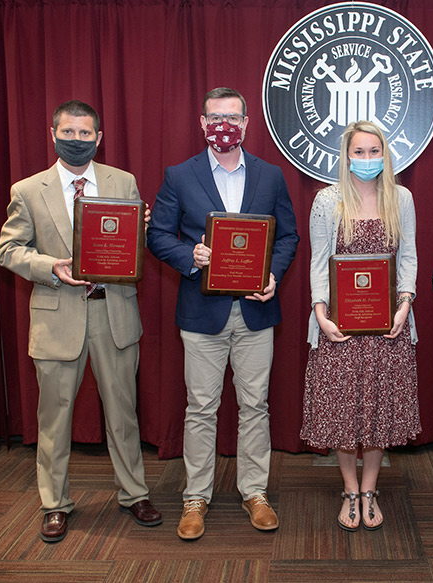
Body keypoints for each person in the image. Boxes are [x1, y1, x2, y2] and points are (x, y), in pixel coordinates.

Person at [0, 100, 161, 543]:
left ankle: (134, 494)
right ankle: (55, 504)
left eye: (85, 134)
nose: (76, 141)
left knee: (123, 413)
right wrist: (52, 265)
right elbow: (8, 250)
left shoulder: (122, 182)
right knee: (54, 417)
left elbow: (131, 248)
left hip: (115, 312)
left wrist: (140, 230)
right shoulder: (28, 189)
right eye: (67, 133)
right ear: (53, 134)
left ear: (99, 138)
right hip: (58, 315)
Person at [148, 87, 299, 540]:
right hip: (201, 311)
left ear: (247, 122)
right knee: (201, 408)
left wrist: (272, 274)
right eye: (215, 116)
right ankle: (196, 496)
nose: (224, 125)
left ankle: (255, 491)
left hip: (255, 313)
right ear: (201, 122)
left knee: (256, 406)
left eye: (232, 116)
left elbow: (287, 236)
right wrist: (188, 256)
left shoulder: (271, 176)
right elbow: (157, 235)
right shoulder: (179, 175)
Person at [301, 121, 420, 532]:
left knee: (378, 412)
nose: (367, 159)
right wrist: (320, 313)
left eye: (374, 152)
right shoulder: (327, 200)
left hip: (389, 327)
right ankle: (349, 488)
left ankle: (370, 489)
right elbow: (319, 262)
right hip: (340, 326)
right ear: (346, 155)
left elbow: (408, 258)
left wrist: (405, 303)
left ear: (384, 155)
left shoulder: (401, 197)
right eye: (359, 152)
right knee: (344, 411)